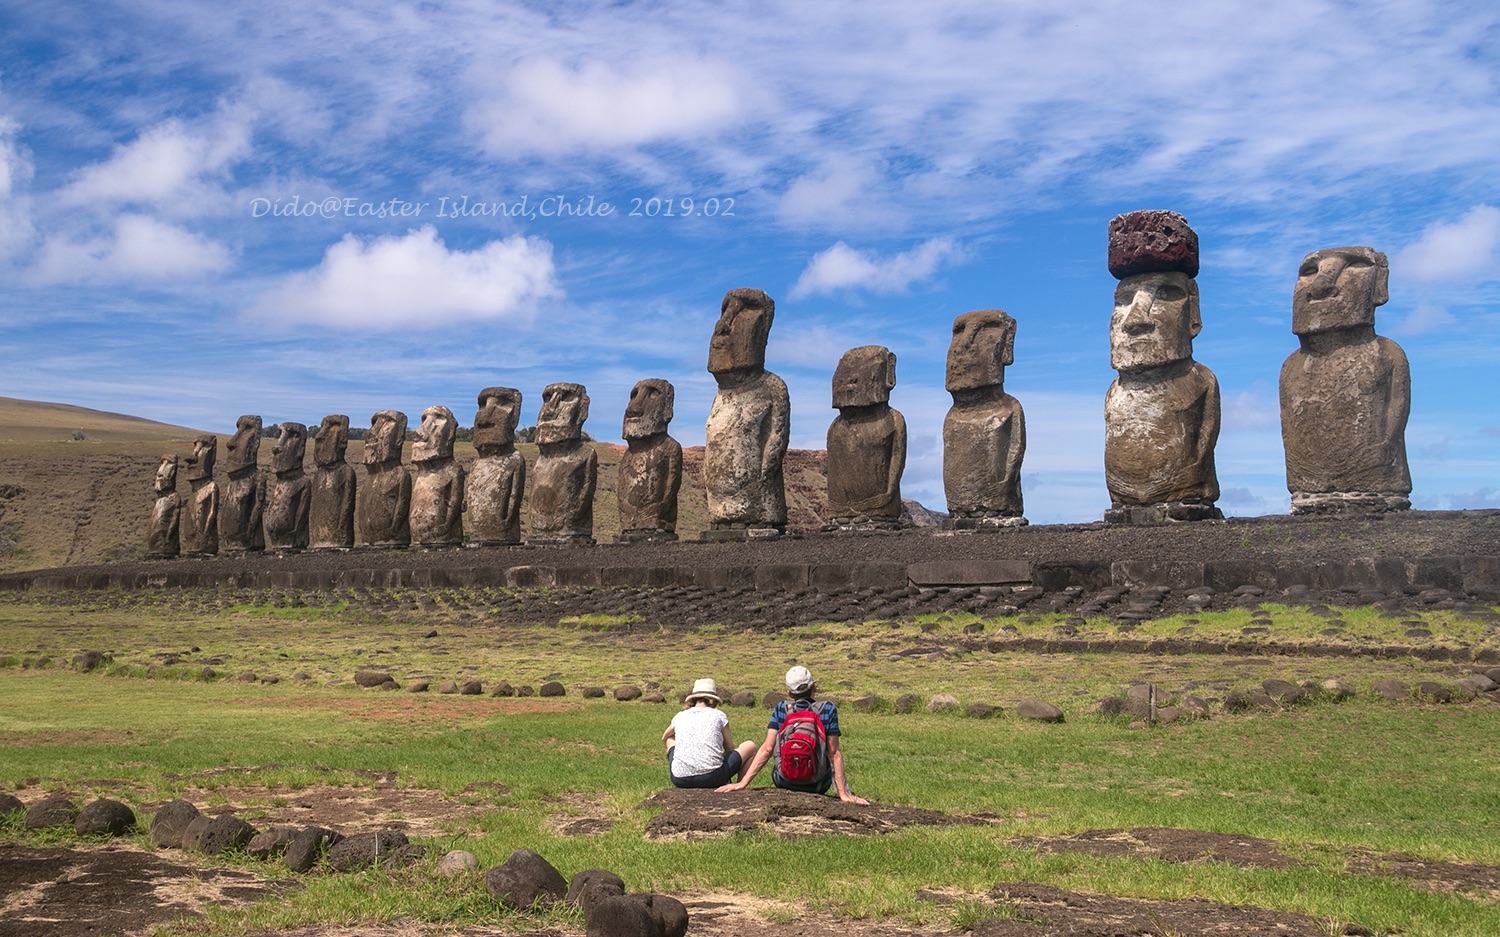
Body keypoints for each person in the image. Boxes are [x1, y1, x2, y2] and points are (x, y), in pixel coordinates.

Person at [716, 666, 869, 804]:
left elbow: (767, 749)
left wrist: (742, 783)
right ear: (814, 687)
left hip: (785, 782)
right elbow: (834, 753)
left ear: (789, 693)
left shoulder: (781, 709)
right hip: (818, 786)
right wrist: (843, 793)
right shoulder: (828, 709)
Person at [662, 678, 759, 789]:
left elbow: (665, 736)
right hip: (712, 777)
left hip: (679, 778)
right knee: (750, 746)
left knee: (670, 739)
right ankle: (738, 786)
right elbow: (729, 748)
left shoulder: (680, 715)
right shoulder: (719, 715)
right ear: (712, 700)